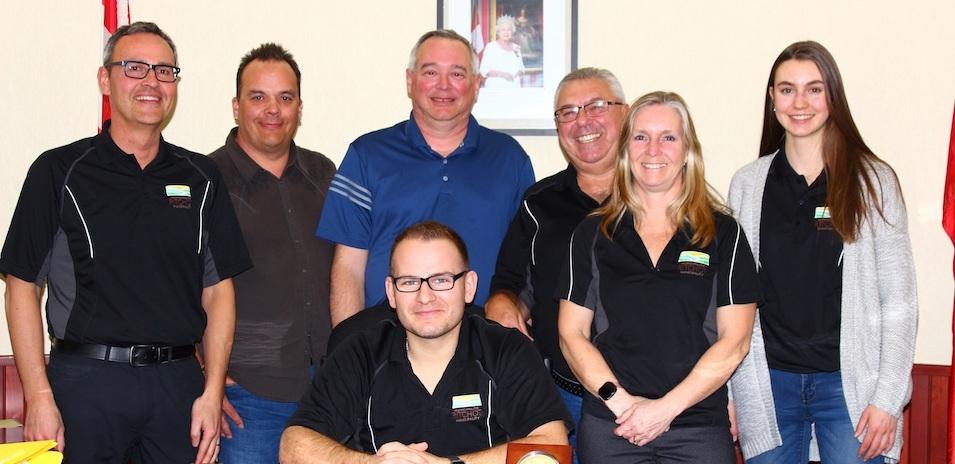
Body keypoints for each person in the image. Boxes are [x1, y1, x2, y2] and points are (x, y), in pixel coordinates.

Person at [0, 22, 250, 463]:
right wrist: (39, 397)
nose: (151, 81)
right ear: (105, 79)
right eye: (134, 68)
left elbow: (218, 292)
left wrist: (212, 391)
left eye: (164, 70)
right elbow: (21, 286)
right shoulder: (59, 172)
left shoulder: (201, 177)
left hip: (177, 387)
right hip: (84, 385)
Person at [728, 40, 917, 464]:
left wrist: (888, 397)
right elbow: (730, 300)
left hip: (851, 389)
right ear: (772, 99)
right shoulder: (747, 184)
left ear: (833, 96)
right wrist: (731, 391)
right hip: (768, 385)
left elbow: (900, 302)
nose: (800, 102)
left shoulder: (873, 182)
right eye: (787, 89)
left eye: (814, 89)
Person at [557, 91, 759, 463]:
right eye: (640, 137)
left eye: (668, 137)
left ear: (687, 151)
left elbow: (735, 342)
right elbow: (571, 335)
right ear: (625, 150)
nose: (653, 149)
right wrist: (622, 404)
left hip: (697, 428)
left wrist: (664, 409)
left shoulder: (723, 233)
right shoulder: (592, 234)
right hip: (612, 428)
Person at [280, 221, 570, 463]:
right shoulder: (360, 351)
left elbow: (553, 450)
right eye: (409, 282)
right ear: (391, 292)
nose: (425, 296)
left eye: (441, 280)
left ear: (468, 287)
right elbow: (293, 446)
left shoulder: (507, 349)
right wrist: (370, 463)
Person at [316, 29, 535, 327]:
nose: (443, 86)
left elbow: (529, 261)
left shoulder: (510, 159)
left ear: (476, 84)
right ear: (410, 80)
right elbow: (349, 269)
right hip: (386, 344)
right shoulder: (366, 156)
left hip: (485, 345)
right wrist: (349, 350)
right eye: (431, 71)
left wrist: (515, 310)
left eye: (457, 74)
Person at [487, 67, 627, 459]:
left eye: (596, 106)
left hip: (646, 398)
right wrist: (502, 301)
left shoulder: (663, 197)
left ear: (626, 113)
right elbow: (512, 282)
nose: (582, 121)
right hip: (563, 397)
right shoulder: (538, 203)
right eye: (567, 112)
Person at [208, 43, 336, 463]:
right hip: (247, 395)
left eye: (285, 98)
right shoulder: (204, 179)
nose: (273, 110)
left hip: (328, 392)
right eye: (258, 97)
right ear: (236, 106)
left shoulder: (324, 173)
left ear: (300, 106)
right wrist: (203, 376)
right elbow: (172, 283)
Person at [479, 15, 524, 89]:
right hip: (495, 88)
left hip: (514, 87)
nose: (506, 33)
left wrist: (516, 74)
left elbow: (521, 68)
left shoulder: (516, 48)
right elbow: (483, 70)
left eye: (509, 30)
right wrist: (503, 74)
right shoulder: (491, 47)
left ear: (512, 32)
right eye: (503, 30)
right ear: (498, 32)